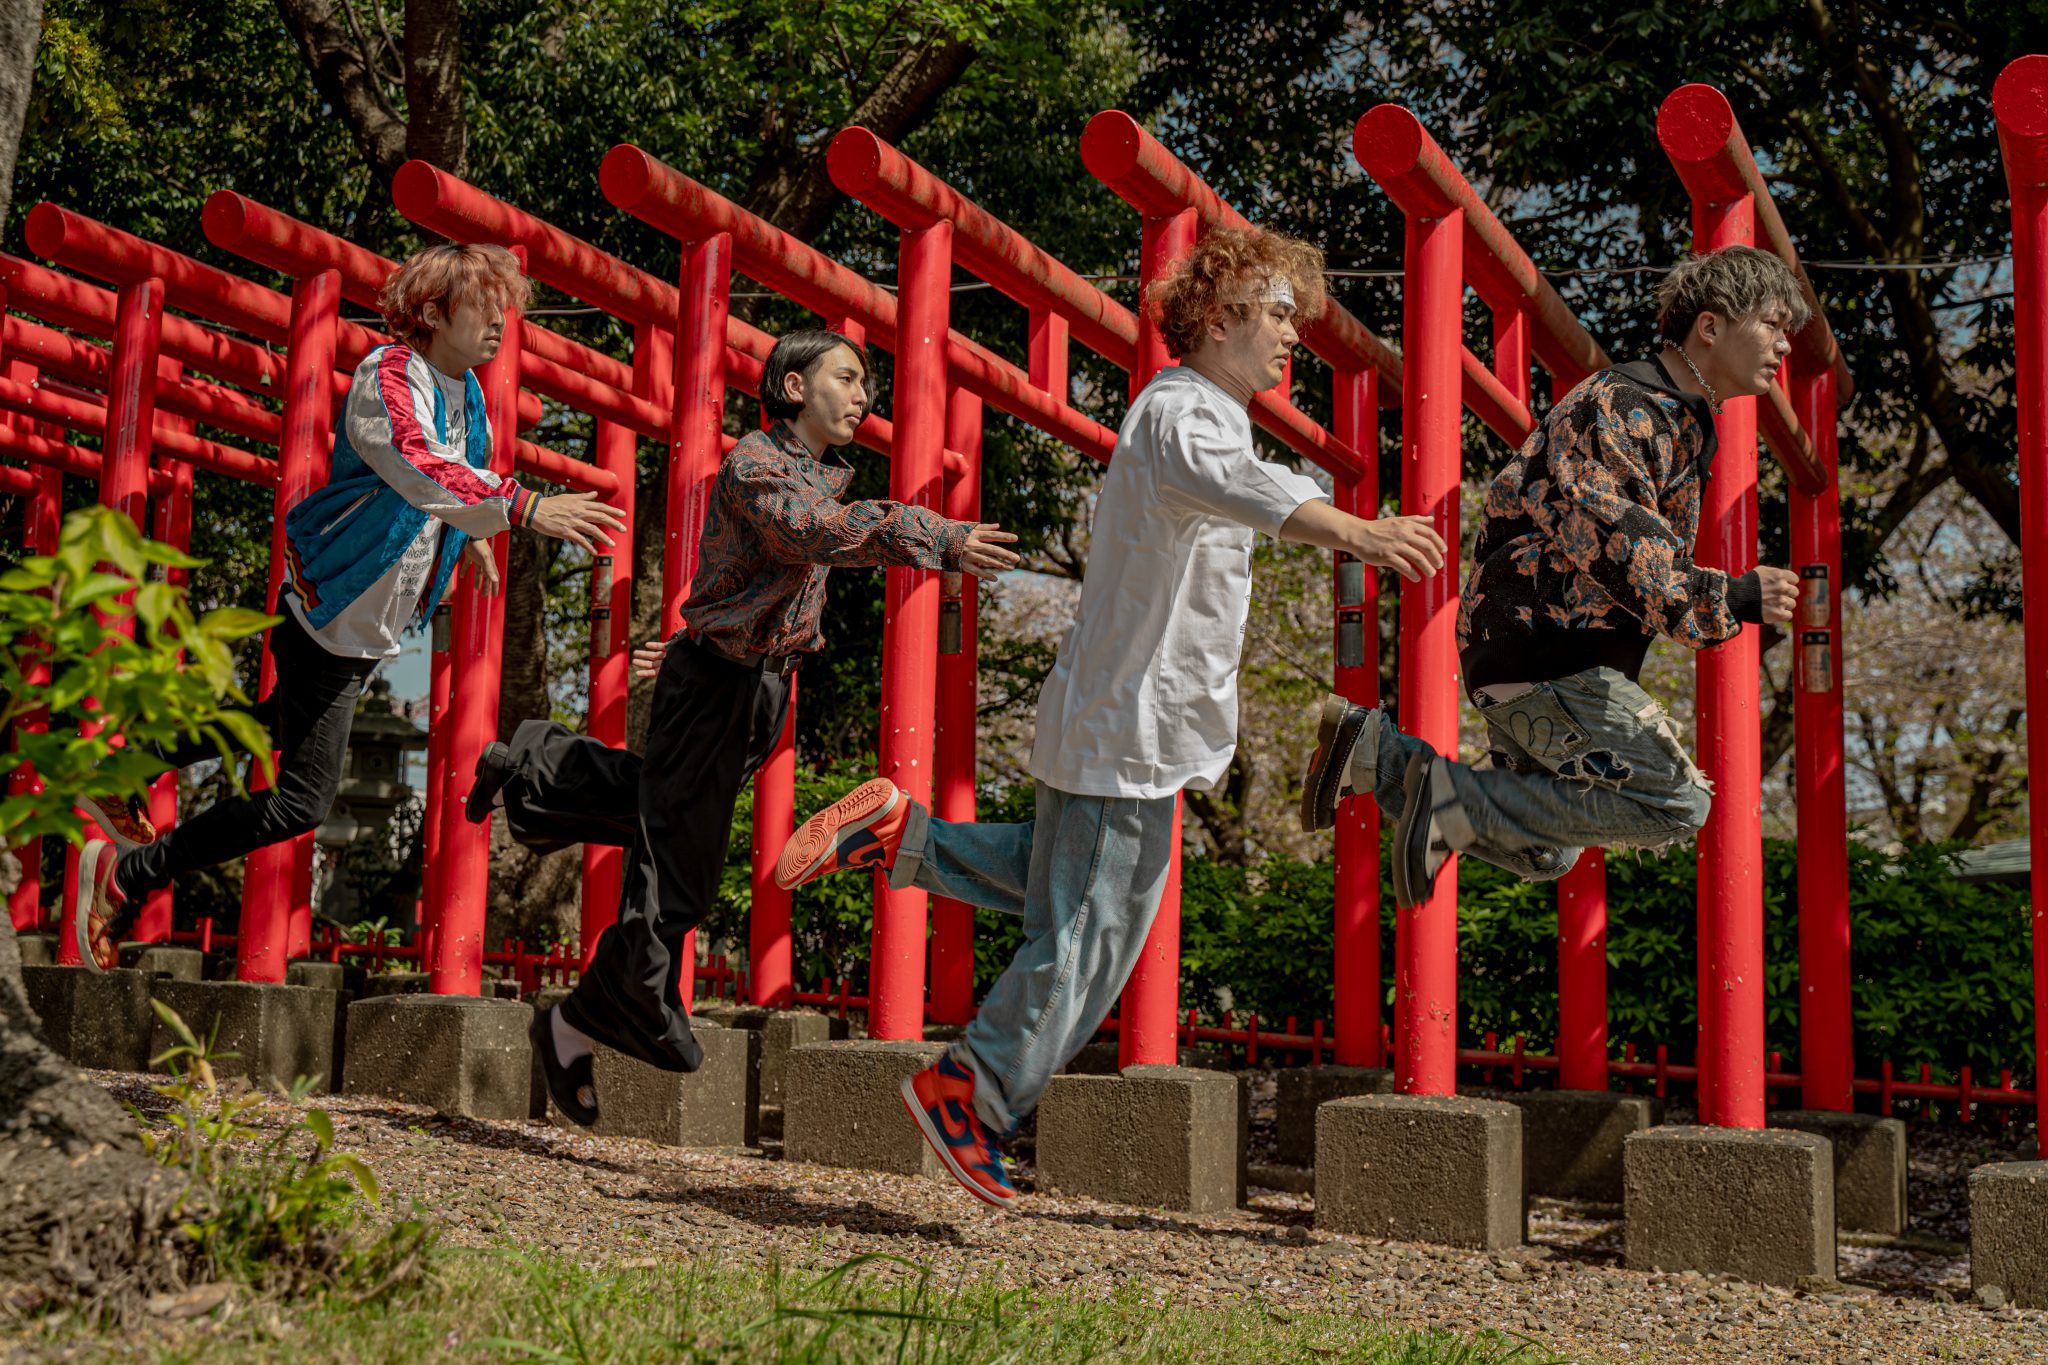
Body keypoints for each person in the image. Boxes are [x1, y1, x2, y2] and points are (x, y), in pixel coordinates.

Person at [772, 228, 1446, 1208]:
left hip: (1125, 717)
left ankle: (902, 836)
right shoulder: (1179, 413)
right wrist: (1358, 530)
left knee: (1070, 885)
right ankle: (971, 1089)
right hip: (1128, 721)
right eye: (1276, 314)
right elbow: (1243, 487)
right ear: (1218, 319)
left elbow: (1250, 489)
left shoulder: (1208, 415)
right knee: (1098, 919)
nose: (1291, 334)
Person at [501, 329, 1021, 1128]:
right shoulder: (757, 462)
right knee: (681, 862)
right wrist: (939, 537)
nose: (862, 396)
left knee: (667, 815)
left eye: (866, 384)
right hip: (716, 683)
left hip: (754, 688)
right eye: (845, 378)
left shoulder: (816, 472)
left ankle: (531, 770)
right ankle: (608, 1007)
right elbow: (813, 532)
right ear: (793, 387)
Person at [71, 243, 626, 971]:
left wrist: (470, 539)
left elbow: (459, 476)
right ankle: (126, 875)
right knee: (300, 802)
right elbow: (414, 460)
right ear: (434, 312)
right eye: (485, 306)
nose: (501, 321)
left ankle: (119, 765)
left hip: (363, 627)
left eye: (505, 307)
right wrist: (521, 507)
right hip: (329, 613)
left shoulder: (468, 394)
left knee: (272, 722)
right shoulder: (388, 372)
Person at [1298, 244, 1805, 909]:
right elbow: (1626, 548)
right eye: (1772, 325)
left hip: (1542, 654)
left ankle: (1380, 756)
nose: (1784, 345)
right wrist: (1732, 596)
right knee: (1677, 803)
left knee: (1544, 849)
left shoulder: (1676, 417)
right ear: (1709, 326)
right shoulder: (1624, 404)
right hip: (1549, 655)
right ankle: (1441, 794)